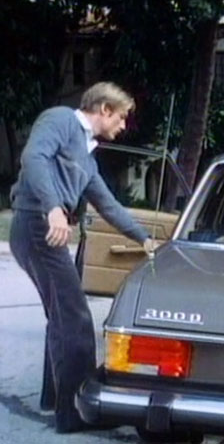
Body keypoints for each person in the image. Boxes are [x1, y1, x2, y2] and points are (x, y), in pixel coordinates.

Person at [9, 82, 155, 433]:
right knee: (74, 320)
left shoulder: (87, 158)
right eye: (121, 118)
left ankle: (56, 400)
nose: (122, 126)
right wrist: (54, 210)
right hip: (36, 226)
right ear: (104, 109)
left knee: (61, 318)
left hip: (44, 229)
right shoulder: (60, 120)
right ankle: (75, 413)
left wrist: (145, 239)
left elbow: (108, 205)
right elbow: (33, 158)